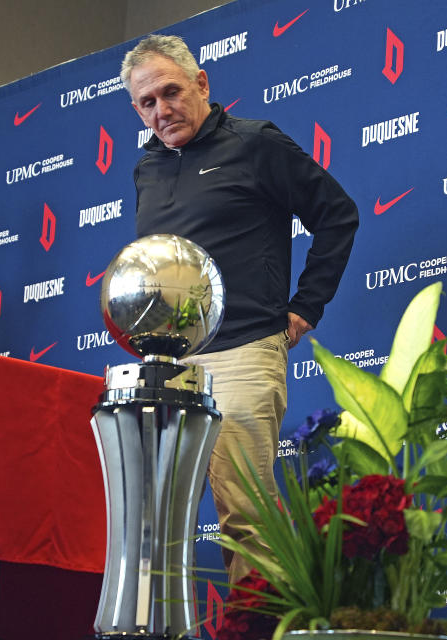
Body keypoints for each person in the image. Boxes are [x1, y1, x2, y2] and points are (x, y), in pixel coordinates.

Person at [121, 35, 359, 582]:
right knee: (154, 524)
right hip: (168, 366)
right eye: (147, 102)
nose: (162, 110)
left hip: (243, 350)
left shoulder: (256, 144)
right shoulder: (147, 169)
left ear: (201, 83)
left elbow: (337, 214)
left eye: (171, 92)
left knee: (246, 520)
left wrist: (306, 306)